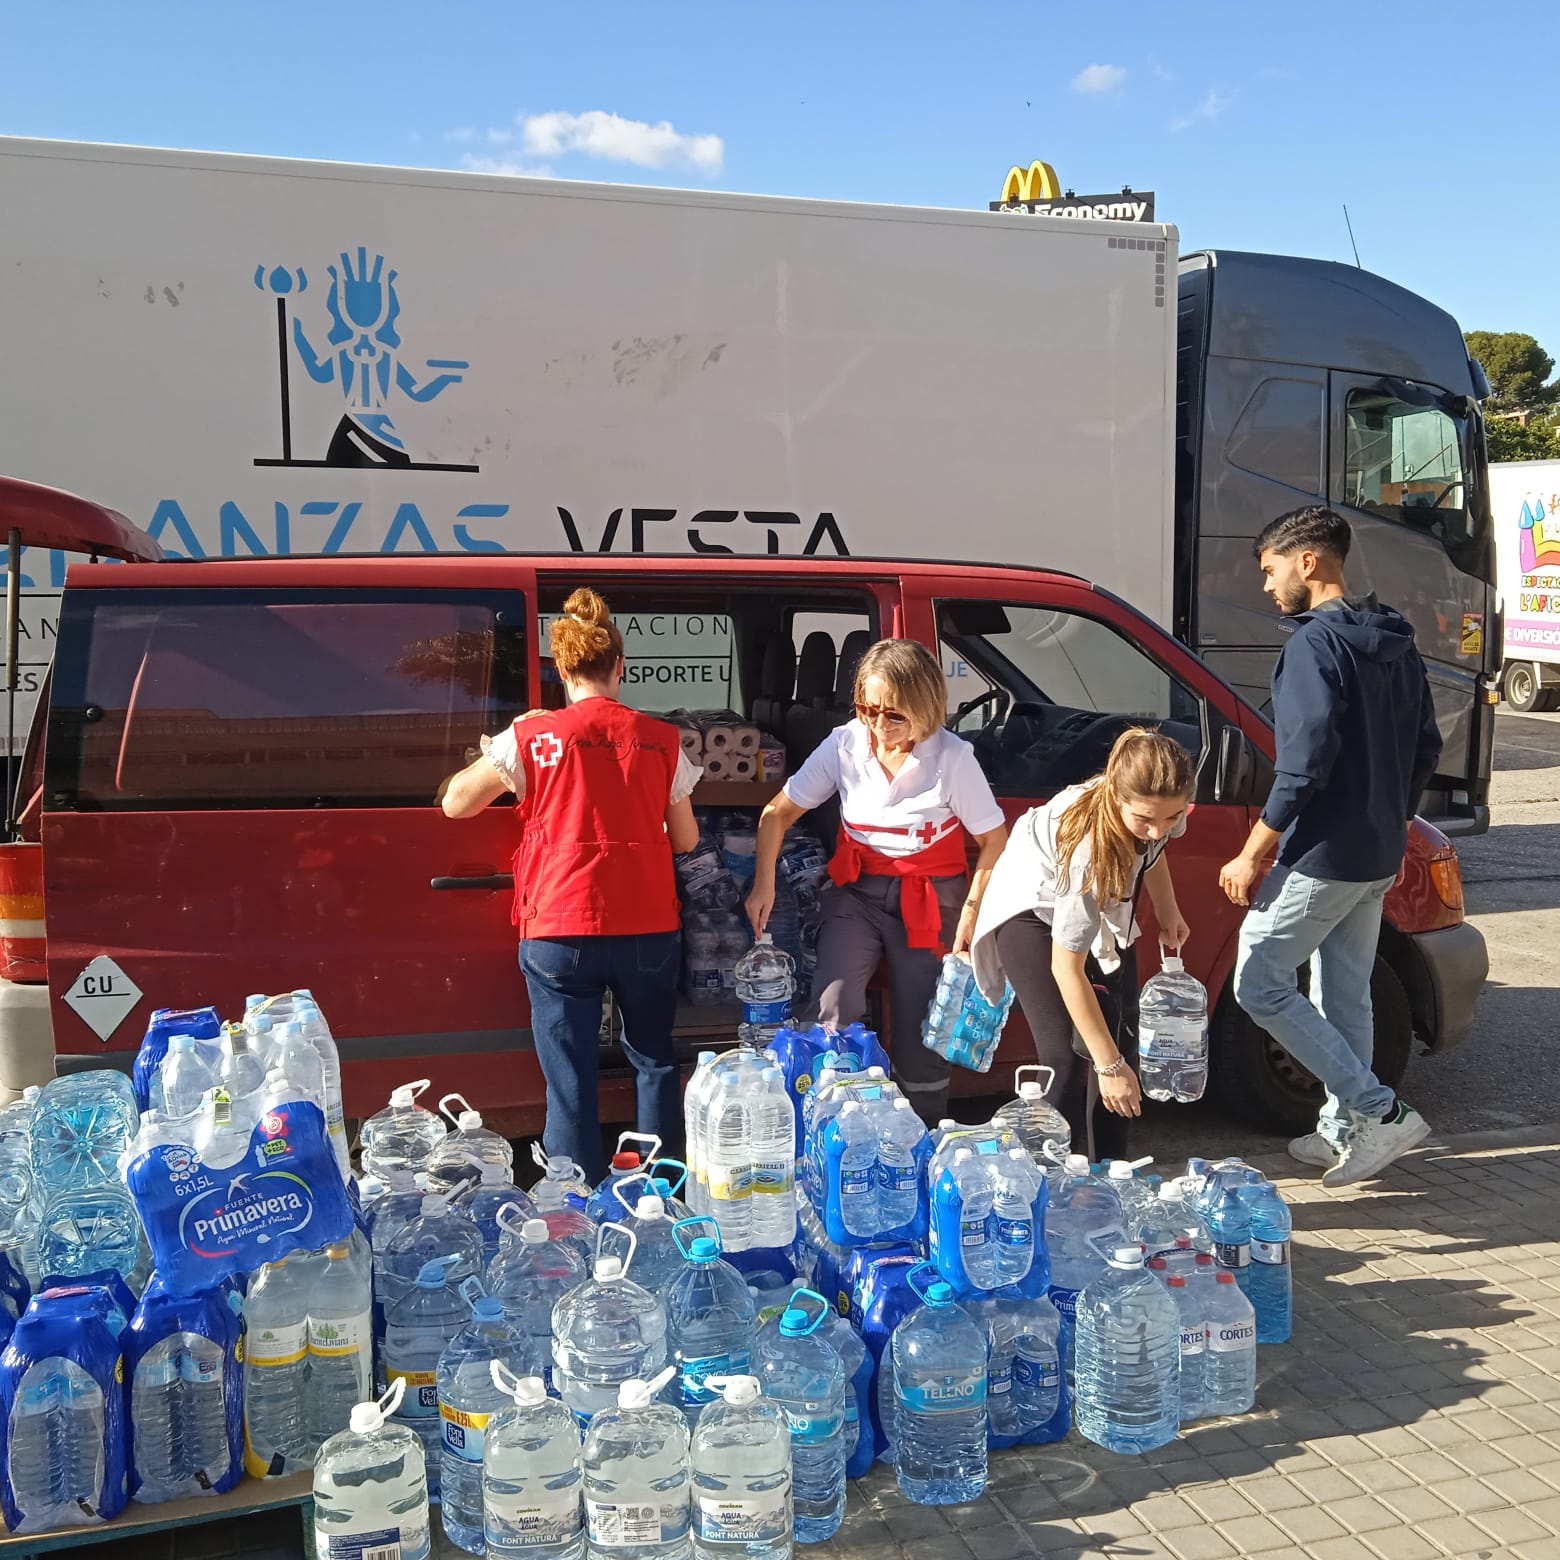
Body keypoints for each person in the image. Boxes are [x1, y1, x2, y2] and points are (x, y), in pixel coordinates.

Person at [438, 587, 701, 1182]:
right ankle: (652, 1185)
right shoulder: (662, 740)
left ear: (561, 670)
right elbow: (684, 840)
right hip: (647, 926)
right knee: (654, 1060)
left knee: (570, 1071)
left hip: (558, 927)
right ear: (621, 668)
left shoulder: (532, 738)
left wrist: (507, 741)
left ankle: (573, 1199)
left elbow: (456, 804)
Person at [1220, 505, 1441, 1188]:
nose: (1267, 586)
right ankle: (1342, 1130)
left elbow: (1303, 763)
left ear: (1307, 562)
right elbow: (1427, 747)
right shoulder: (1396, 641)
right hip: (1377, 850)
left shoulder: (1315, 646)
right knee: (1344, 990)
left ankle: (1381, 1113)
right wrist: (1391, 818)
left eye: (1271, 568)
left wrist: (1254, 849)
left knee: (1257, 983)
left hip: (1323, 854)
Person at [745, 638, 1008, 1122]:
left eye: (894, 715)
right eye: (868, 709)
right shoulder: (845, 743)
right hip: (857, 890)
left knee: (920, 1030)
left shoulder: (952, 758)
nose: (878, 726)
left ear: (924, 709)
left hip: (930, 898)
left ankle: (922, 1138)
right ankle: (831, 1127)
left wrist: (972, 914)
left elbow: (994, 840)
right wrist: (763, 884)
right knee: (832, 1005)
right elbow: (776, 814)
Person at [970, 728, 1193, 1161]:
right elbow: (1066, 969)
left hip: (1100, 907)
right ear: (1116, 796)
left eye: (1170, 818)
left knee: (1120, 1035)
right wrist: (1109, 1067)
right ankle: (1054, 1179)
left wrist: (1168, 911)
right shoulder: (1086, 852)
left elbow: (1155, 849)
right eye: (1144, 819)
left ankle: (1108, 1175)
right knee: (1070, 1055)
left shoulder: (1162, 807)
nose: (1156, 829)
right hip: (1031, 910)